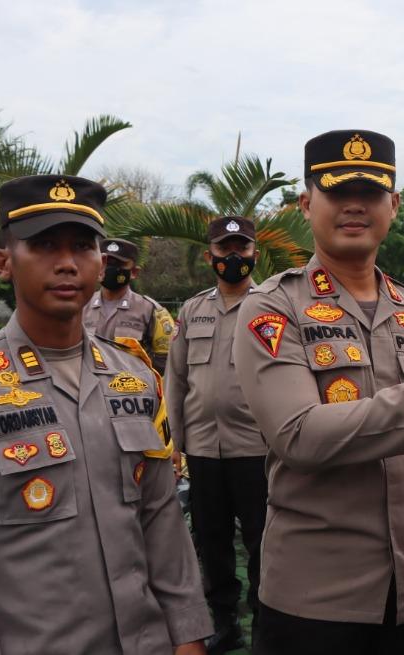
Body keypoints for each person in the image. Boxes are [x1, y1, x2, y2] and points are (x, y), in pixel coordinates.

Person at [0, 174, 212, 654]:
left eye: (82, 246)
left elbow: (160, 518)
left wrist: (189, 631)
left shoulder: (134, 377)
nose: (67, 263)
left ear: (101, 261)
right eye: (44, 245)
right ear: (4, 262)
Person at [233, 129, 404, 655]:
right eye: (338, 192)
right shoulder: (272, 308)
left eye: (372, 194)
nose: (355, 207)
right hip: (317, 598)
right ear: (307, 203)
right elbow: (299, 435)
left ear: (394, 205)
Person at [166, 216, 268, 653]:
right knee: (212, 541)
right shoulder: (193, 310)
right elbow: (176, 376)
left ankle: (266, 621)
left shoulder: (271, 305)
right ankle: (224, 621)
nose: (232, 257)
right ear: (210, 256)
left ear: (254, 254)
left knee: (263, 540)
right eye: (224, 249)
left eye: (241, 249)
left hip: (257, 448)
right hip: (204, 450)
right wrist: (178, 442)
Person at [82, 237, 175, 374]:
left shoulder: (151, 311)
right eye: (107, 263)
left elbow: (164, 363)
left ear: (134, 272)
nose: (111, 269)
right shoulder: (82, 306)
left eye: (119, 264)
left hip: (131, 390)